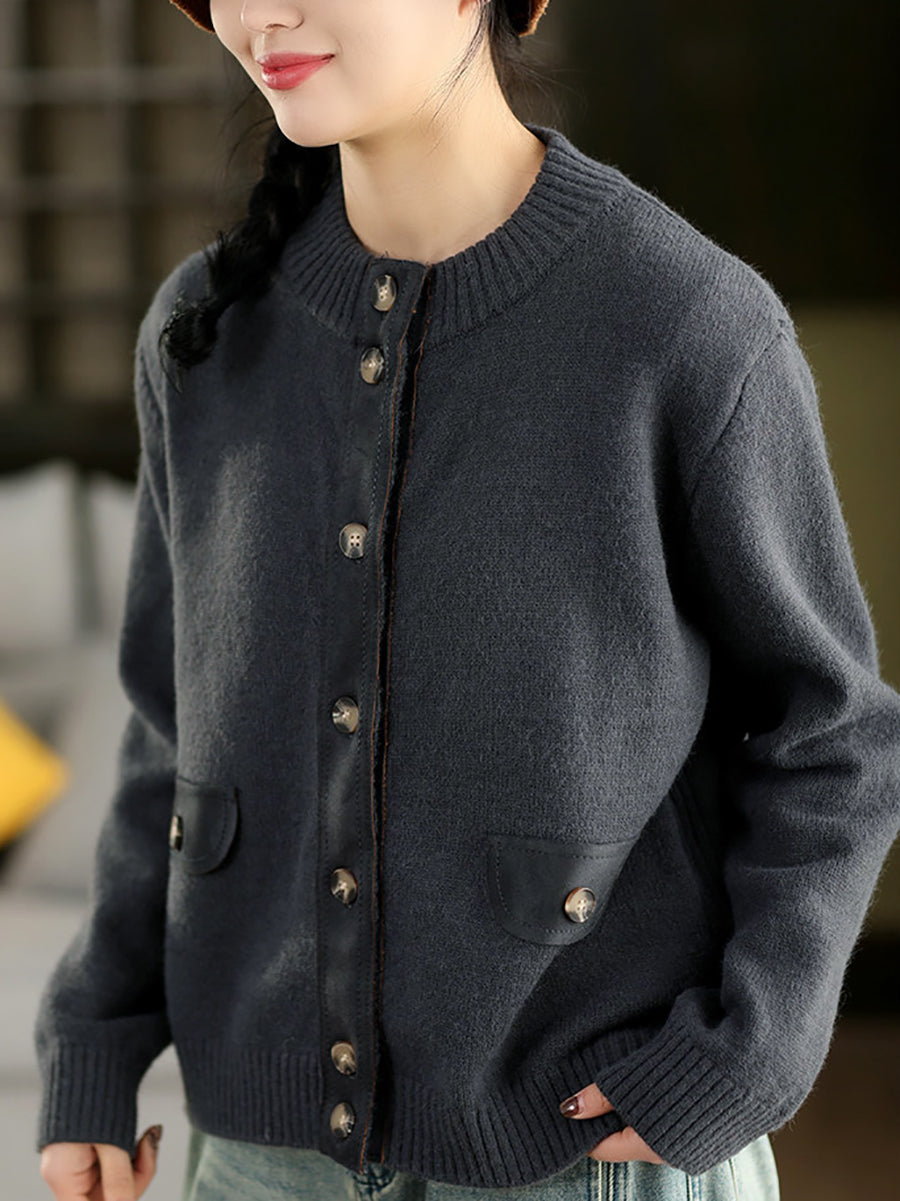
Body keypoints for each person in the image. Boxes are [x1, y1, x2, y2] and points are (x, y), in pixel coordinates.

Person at [35, 1, 900, 1199]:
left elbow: (832, 737)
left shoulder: (680, 322)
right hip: (260, 1161)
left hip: (581, 1149)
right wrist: (95, 1037)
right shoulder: (203, 334)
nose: (261, 13)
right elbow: (173, 733)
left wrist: (747, 1053)